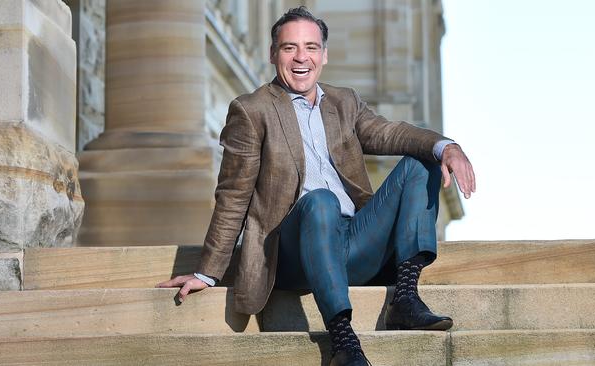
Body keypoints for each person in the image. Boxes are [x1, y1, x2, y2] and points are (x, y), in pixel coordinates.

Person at [158, 6, 475, 366]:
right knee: (321, 201)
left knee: (422, 161)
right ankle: (343, 340)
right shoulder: (251, 110)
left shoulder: (344, 102)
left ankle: (405, 298)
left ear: (324, 55)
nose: (300, 58)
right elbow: (233, 195)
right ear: (273, 53)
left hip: (352, 240)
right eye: (289, 47)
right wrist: (207, 271)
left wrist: (446, 146)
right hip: (293, 252)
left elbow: (390, 133)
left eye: (310, 47)